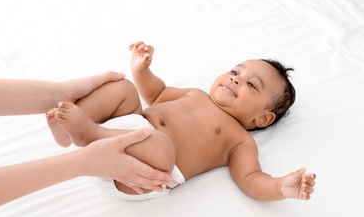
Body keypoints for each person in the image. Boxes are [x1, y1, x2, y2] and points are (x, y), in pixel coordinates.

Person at [46, 41, 316, 201]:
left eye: (251, 85)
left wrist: (279, 187)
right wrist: (142, 70)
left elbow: (250, 177)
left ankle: (87, 133)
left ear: (263, 118)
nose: (235, 79)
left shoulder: (240, 141)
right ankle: (68, 132)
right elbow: (155, 94)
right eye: (235, 71)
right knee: (124, 89)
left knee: (160, 145)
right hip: (121, 131)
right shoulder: (195, 93)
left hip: (142, 172)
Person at [0, 72, 173, 214]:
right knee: (160, 145)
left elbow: (159, 96)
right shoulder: (198, 95)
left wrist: (61, 92)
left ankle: (72, 130)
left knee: (123, 88)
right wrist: (84, 161)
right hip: (138, 160)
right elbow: (158, 94)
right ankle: (88, 134)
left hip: (143, 166)